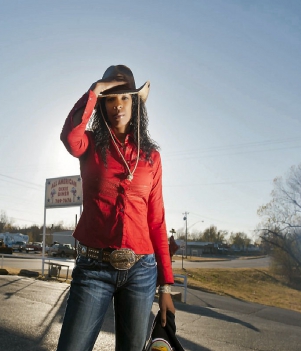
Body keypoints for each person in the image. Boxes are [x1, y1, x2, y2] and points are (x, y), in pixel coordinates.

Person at [57, 65, 175, 351]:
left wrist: (166, 287)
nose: (117, 105)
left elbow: (157, 221)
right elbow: (69, 137)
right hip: (94, 267)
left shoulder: (152, 158)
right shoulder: (90, 147)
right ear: (102, 105)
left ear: (135, 104)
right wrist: (96, 89)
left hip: (141, 271)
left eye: (124, 98)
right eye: (110, 99)